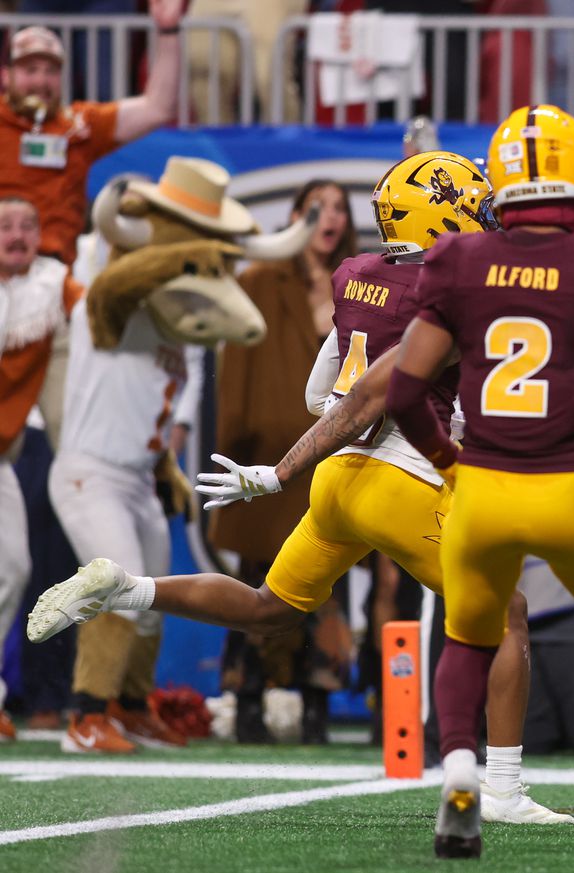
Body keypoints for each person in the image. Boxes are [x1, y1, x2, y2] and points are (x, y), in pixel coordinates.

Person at [28, 151, 572, 823]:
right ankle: (506, 791)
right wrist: (282, 469)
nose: (487, 221)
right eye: (477, 207)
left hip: (340, 482)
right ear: (443, 211)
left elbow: (324, 391)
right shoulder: (454, 292)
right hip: (402, 481)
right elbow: (372, 393)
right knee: (509, 612)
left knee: (269, 607)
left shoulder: (356, 276)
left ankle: (126, 588)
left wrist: (294, 470)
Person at [385, 105, 574, 857]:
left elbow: (405, 393)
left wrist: (448, 463)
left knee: (469, 633)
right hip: (571, 485)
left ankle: (463, 768)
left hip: (482, 487)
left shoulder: (459, 259)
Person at [208, 179, 356, 744]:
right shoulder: (260, 280)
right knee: (254, 578)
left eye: (340, 207)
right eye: (317, 206)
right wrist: (233, 440)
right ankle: (246, 698)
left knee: (325, 582)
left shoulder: (360, 286)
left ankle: (317, 701)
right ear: (296, 216)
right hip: (266, 452)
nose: (330, 217)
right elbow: (237, 367)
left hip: (329, 452)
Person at [0, 1, 183, 266]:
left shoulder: (79, 125)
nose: (41, 81)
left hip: (57, 277)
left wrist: (168, 31)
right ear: (6, 76)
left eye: (51, 71)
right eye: (30, 70)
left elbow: (157, 107)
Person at [0, 195, 82, 741]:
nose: (18, 233)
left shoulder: (52, 285)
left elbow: (104, 307)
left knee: (13, 568)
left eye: (30, 224)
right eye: (5, 224)